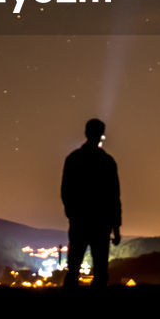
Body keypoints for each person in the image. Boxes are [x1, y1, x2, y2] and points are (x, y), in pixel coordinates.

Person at [61, 117, 121, 288]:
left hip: (80, 222)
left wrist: (72, 214)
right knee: (101, 271)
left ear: (86, 133)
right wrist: (116, 227)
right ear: (102, 135)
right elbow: (114, 197)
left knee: (74, 269)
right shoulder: (108, 162)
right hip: (101, 224)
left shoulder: (73, 159)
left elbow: (66, 191)